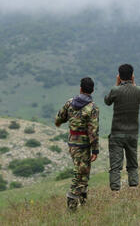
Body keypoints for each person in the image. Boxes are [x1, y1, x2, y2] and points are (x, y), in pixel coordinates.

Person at [55, 77, 99, 211]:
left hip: (72, 143)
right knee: (80, 176)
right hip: (84, 145)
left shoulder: (70, 102)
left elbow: (59, 118)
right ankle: (72, 209)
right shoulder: (92, 108)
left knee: (82, 173)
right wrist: (95, 150)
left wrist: (59, 123)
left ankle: (84, 205)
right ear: (92, 90)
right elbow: (93, 131)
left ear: (80, 89)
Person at [104, 64, 140, 191]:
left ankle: (115, 192)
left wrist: (117, 85)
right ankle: (133, 189)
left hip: (117, 133)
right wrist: (133, 84)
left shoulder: (115, 90)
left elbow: (107, 101)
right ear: (132, 75)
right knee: (133, 164)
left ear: (119, 76)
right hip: (133, 133)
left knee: (115, 166)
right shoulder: (139, 90)